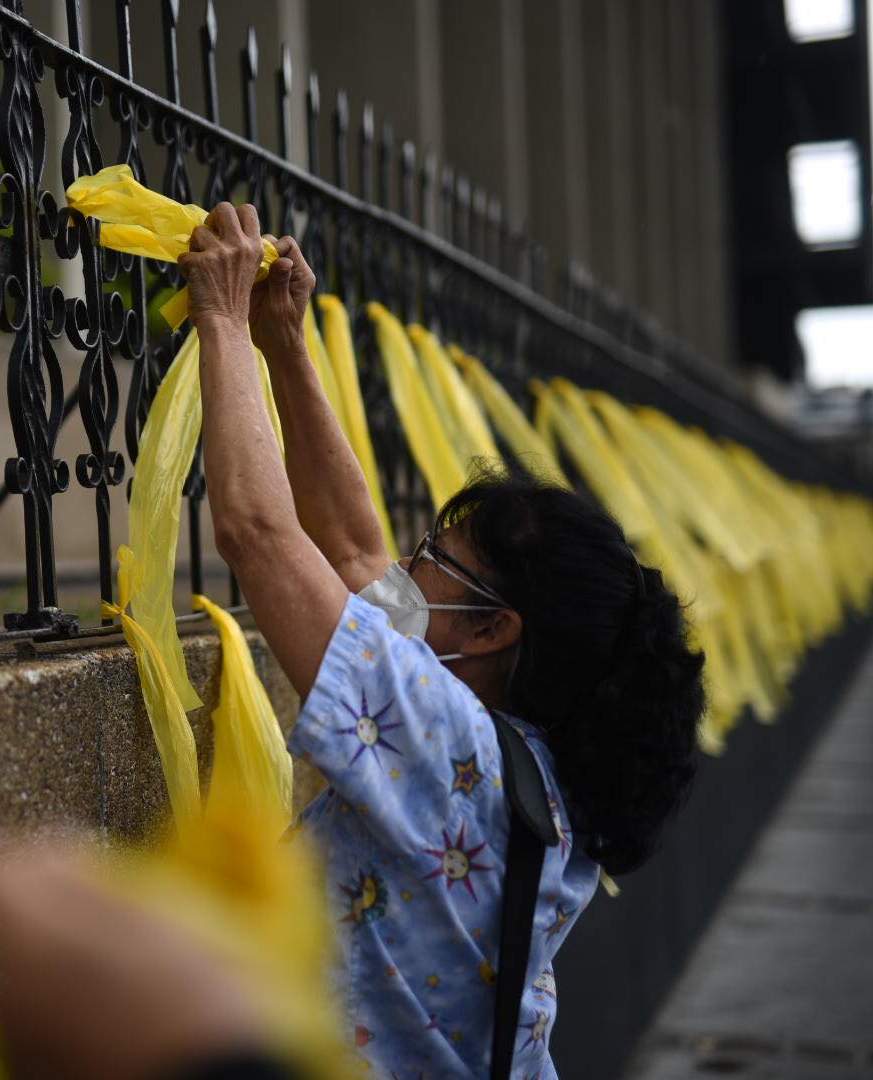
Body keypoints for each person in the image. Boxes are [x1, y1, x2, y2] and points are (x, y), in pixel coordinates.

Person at [176, 203, 706, 1078]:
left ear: (497, 629)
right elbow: (350, 548)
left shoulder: (449, 747)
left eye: (435, 561)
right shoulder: (532, 775)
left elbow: (261, 537)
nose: (406, 573)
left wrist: (224, 320)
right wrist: (283, 342)